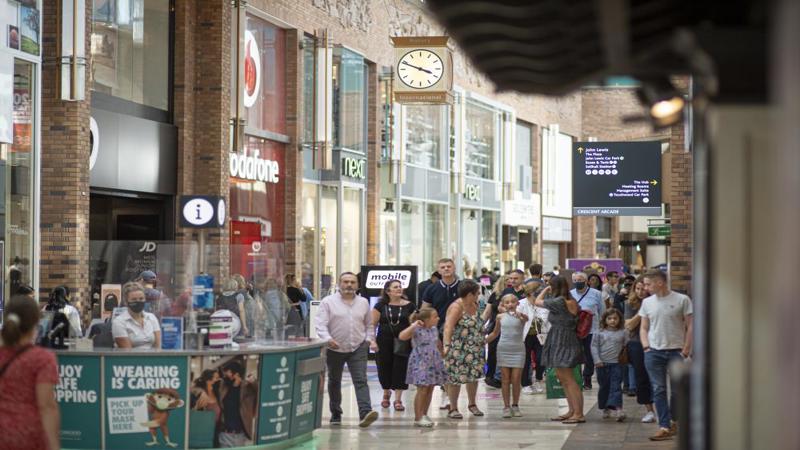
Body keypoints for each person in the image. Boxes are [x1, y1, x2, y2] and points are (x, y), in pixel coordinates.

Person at [315, 272, 379, 428]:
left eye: (352, 282)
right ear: (339, 283)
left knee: (361, 380)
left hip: (358, 347)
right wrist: (328, 339)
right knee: (335, 381)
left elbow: (369, 324)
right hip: (334, 349)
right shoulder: (328, 302)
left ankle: (365, 412)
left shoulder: (363, 302)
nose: (349, 285)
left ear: (357, 285)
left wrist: (369, 340)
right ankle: (336, 413)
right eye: (345, 282)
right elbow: (320, 325)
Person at [0, 295, 61, 450]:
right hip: (29, 434)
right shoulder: (42, 358)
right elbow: (46, 405)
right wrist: (54, 444)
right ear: (36, 322)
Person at [639, 270, 693, 441]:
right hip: (653, 352)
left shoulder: (682, 300)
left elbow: (691, 325)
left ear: (660, 282)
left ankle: (674, 421)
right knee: (659, 389)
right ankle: (664, 425)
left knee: (677, 391)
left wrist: (686, 350)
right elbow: (644, 327)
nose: (645, 287)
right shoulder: (647, 302)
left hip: (677, 351)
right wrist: (646, 346)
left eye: (648, 284)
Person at [533, 275, 585, 424]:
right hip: (565, 338)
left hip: (562, 339)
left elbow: (537, 302)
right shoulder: (571, 301)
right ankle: (572, 410)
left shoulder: (559, 301)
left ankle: (579, 413)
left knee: (568, 379)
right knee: (563, 378)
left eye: (550, 285)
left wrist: (545, 289)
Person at [421, 258, 461, 410]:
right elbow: (424, 310)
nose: (446, 269)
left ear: (454, 267)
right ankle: (446, 396)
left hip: (459, 332)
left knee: (455, 366)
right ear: (438, 270)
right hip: (437, 332)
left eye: (449, 266)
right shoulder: (431, 288)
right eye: (443, 267)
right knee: (443, 366)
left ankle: (455, 400)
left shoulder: (463, 286)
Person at [442, 279, 486, 419]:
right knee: (455, 378)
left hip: (475, 348)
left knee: (473, 377)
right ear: (469, 294)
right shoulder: (456, 307)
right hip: (458, 348)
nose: (478, 295)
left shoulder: (477, 304)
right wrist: (447, 345)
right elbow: (448, 327)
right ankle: (453, 407)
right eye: (476, 293)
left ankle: (472, 404)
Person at [399, 307, 448, 428]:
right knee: (422, 388)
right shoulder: (416, 329)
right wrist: (414, 325)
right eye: (435, 316)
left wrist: (442, 352)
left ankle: (424, 414)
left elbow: (437, 343)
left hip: (433, 361)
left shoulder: (434, 329)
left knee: (430, 388)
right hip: (420, 361)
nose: (438, 318)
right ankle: (418, 417)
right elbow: (402, 336)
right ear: (426, 319)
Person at [371, 279, 414, 411]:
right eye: (395, 287)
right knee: (384, 367)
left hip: (403, 342)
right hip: (383, 341)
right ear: (388, 291)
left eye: (400, 287)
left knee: (401, 368)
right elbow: (372, 325)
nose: (399, 289)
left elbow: (414, 325)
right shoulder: (380, 306)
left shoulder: (410, 306)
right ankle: (386, 392)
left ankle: (398, 399)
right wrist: (372, 341)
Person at [486, 294, 529, 418]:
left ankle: (515, 405)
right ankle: (506, 406)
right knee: (505, 379)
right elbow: (495, 333)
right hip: (503, 348)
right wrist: (482, 342)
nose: (510, 304)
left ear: (517, 303)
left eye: (513, 302)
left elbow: (525, 319)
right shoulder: (500, 317)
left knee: (516, 379)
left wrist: (520, 315)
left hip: (518, 350)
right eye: (507, 302)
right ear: (503, 304)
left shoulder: (521, 316)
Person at [623, 276, 656, 423]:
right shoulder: (630, 303)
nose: (641, 291)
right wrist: (642, 310)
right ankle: (649, 410)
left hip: (656, 343)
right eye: (637, 288)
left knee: (656, 377)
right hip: (636, 343)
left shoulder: (657, 302)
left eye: (644, 288)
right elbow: (629, 325)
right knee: (641, 377)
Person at [592, 308, 629, 422]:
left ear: (619, 320)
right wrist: (597, 360)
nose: (612, 321)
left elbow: (626, 345)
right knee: (604, 387)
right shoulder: (599, 332)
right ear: (605, 319)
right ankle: (605, 407)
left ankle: (619, 409)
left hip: (617, 364)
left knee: (616, 386)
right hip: (602, 364)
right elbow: (594, 346)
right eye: (610, 318)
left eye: (615, 318)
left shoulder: (623, 332)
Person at [571, 271, 605, 389]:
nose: (577, 282)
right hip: (575, 331)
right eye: (575, 280)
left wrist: (602, 328)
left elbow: (602, 311)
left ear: (586, 281)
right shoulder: (570, 294)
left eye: (580, 280)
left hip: (592, 330)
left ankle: (587, 378)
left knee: (590, 355)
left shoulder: (596, 294)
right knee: (576, 355)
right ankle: (577, 378)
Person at [217, 361, 258, 447]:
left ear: (236, 374)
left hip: (240, 435)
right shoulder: (224, 386)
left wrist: (254, 382)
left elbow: (260, 392)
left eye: (227, 373)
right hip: (224, 433)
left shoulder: (247, 387)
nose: (224, 375)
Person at [112, 282, 162, 349]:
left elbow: (158, 346)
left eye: (141, 299)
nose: (138, 301)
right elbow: (127, 352)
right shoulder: (119, 322)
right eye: (134, 299)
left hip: (153, 358)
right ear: (126, 302)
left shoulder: (152, 317)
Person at [523, 279, 550, 394]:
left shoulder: (544, 304)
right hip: (525, 337)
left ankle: (538, 379)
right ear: (531, 292)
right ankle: (526, 384)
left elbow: (548, 322)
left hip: (540, 336)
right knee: (526, 361)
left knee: (540, 359)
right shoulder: (520, 303)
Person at [481, 275, 507, 389]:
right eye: (507, 280)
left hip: (510, 327)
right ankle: (490, 376)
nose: (509, 282)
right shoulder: (494, 295)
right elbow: (487, 312)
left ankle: (503, 376)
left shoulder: (517, 295)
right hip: (495, 325)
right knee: (492, 351)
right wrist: (479, 325)